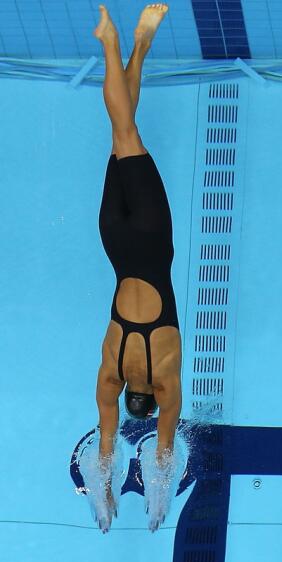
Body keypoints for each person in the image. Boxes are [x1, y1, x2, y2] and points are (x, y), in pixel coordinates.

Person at [91, 3, 181, 533]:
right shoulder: (111, 372)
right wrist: (103, 492)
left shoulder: (167, 382)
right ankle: (141, 46)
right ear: (129, 394)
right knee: (121, 135)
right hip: (115, 243)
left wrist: (158, 501)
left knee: (125, 134)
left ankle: (114, 42)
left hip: (151, 238)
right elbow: (105, 440)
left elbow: (164, 449)